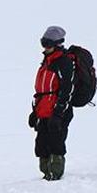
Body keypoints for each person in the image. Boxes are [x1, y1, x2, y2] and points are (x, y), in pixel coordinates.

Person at [28, 26, 75, 181]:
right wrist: (35, 112)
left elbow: (67, 89)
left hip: (57, 110)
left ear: (57, 44)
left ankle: (55, 175)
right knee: (41, 144)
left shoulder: (63, 62)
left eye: (48, 44)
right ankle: (46, 173)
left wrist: (59, 113)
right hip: (43, 110)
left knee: (56, 142)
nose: (45, 47)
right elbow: (41, 90)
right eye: (43, 43)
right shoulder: (47, 62)